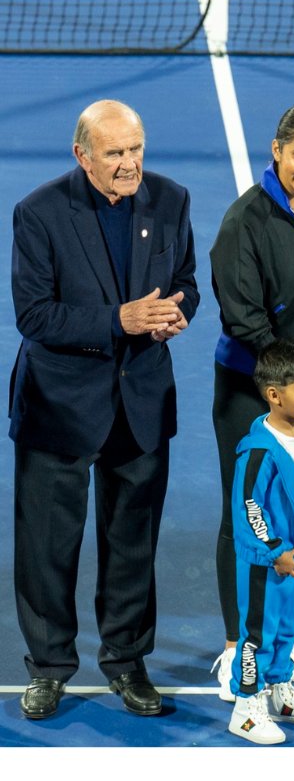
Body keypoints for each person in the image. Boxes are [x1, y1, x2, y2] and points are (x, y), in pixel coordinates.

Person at [10, 99, 199, 720]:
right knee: (47, 546)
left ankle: (126, 661)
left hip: (140, 400)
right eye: (114, 153)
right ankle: (49, 667)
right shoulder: (39, 213)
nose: (129, 164)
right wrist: (120, 320)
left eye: (136, 148)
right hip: (61, 404)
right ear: (82, 155)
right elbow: (35, 316)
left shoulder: (170, 201)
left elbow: (188, 283)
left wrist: (176, 314)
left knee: (132, 541)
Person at [210, 104, 294, 702]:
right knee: (252, 519)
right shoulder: (245, 222)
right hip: (252, 390)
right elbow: (245, 319)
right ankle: (239, 646)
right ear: (276, 150)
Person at [228, 340, 294, 744]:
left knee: (287, 630)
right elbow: (249, 507)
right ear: (274, 395)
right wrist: (275, 551)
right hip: (265, 563)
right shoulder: (258, 451)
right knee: (257, 636)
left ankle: (279, 695)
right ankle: (246, 708)